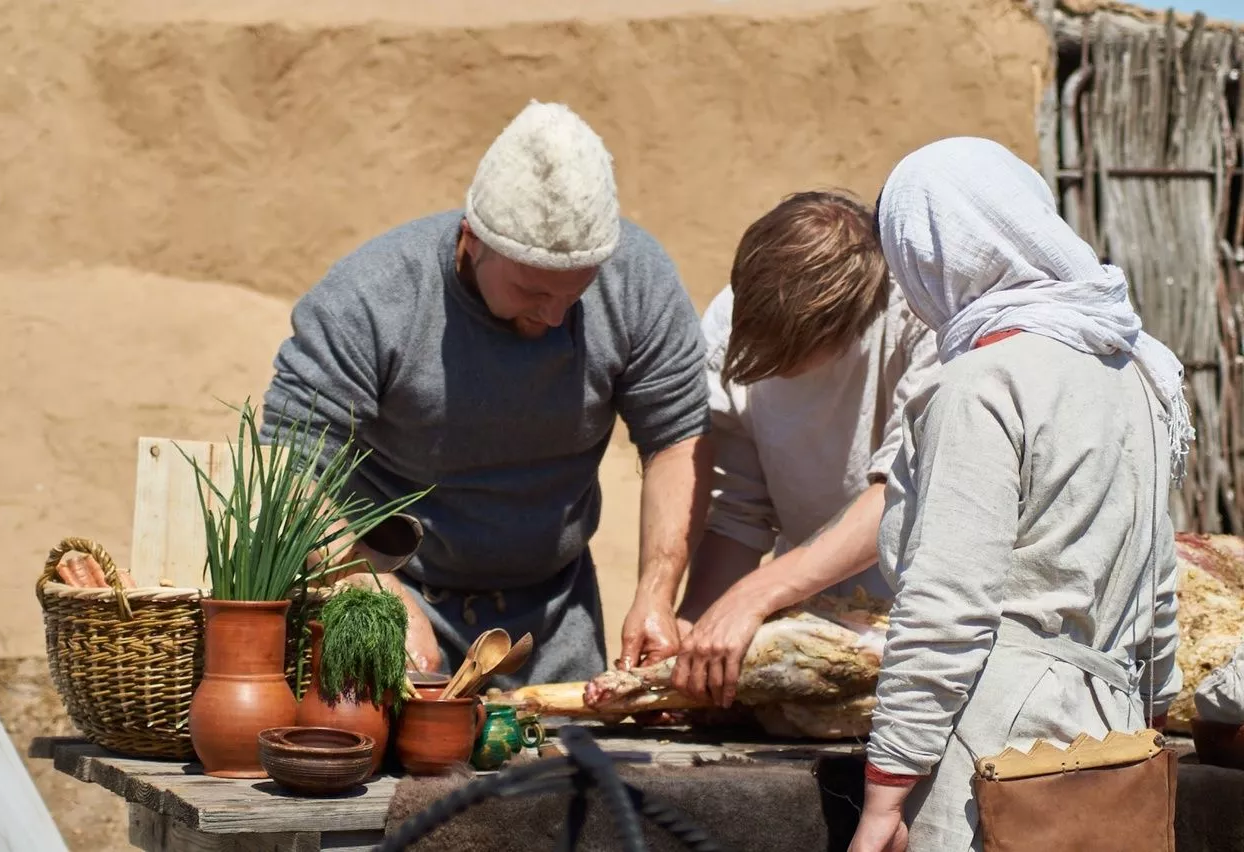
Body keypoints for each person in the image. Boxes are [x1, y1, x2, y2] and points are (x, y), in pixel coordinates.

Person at [260, 100, 712, 689]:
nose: (554, 317)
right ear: (473, 239)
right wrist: (365, 587)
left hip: (555, 618)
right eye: (531, 290)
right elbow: (287, 465)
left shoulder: (637, 279)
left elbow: (676, 440)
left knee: (568, 779)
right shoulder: (370, 299)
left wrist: (657, 591)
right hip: (390, 599)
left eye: (574, 294)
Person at [849, 137, 1188, 852]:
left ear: (933, 253)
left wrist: (886, 790)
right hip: (1114, 740)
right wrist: (1140, 729)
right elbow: (1158, 595)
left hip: (998, 760)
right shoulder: (1136, 376)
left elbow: (947, 604)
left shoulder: (981, 384)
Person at [634, 190, 939, 707]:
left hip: (924, 634)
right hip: (807, 634)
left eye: (789, 352)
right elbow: (738, 512)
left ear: (847, 325)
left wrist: (754, 595)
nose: (767, 362)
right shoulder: (734, 320)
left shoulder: (919, 316)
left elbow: (902, 493)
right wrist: (692, 637)